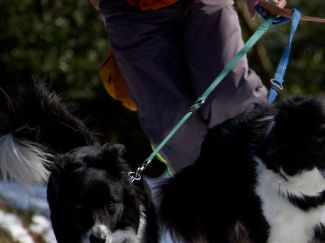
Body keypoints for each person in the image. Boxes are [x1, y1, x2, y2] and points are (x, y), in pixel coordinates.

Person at [92, 0, 286, 173]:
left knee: (231, 98)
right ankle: (210, 202)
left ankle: (273, 174)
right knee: (176, 130)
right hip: (131, 13)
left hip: (203, 5)